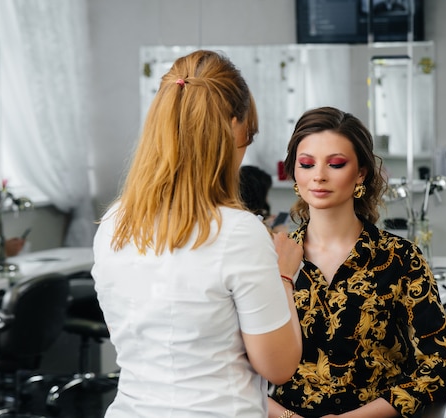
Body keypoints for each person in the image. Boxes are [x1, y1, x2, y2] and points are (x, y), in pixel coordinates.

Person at [91, 50, 303, 417]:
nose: (245, 152)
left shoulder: (114, 223)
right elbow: (279, 367)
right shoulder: (238, 232)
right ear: (232, 128)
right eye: (247, 137)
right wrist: (284, 275)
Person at [268, 107, 446, 418]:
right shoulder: (271, 259)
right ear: (294, 172)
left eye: (336, 164)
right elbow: (236, 366)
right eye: (306, 164)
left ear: (361, 173)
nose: (318, 175)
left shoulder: (400, 258)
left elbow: (441, 366)